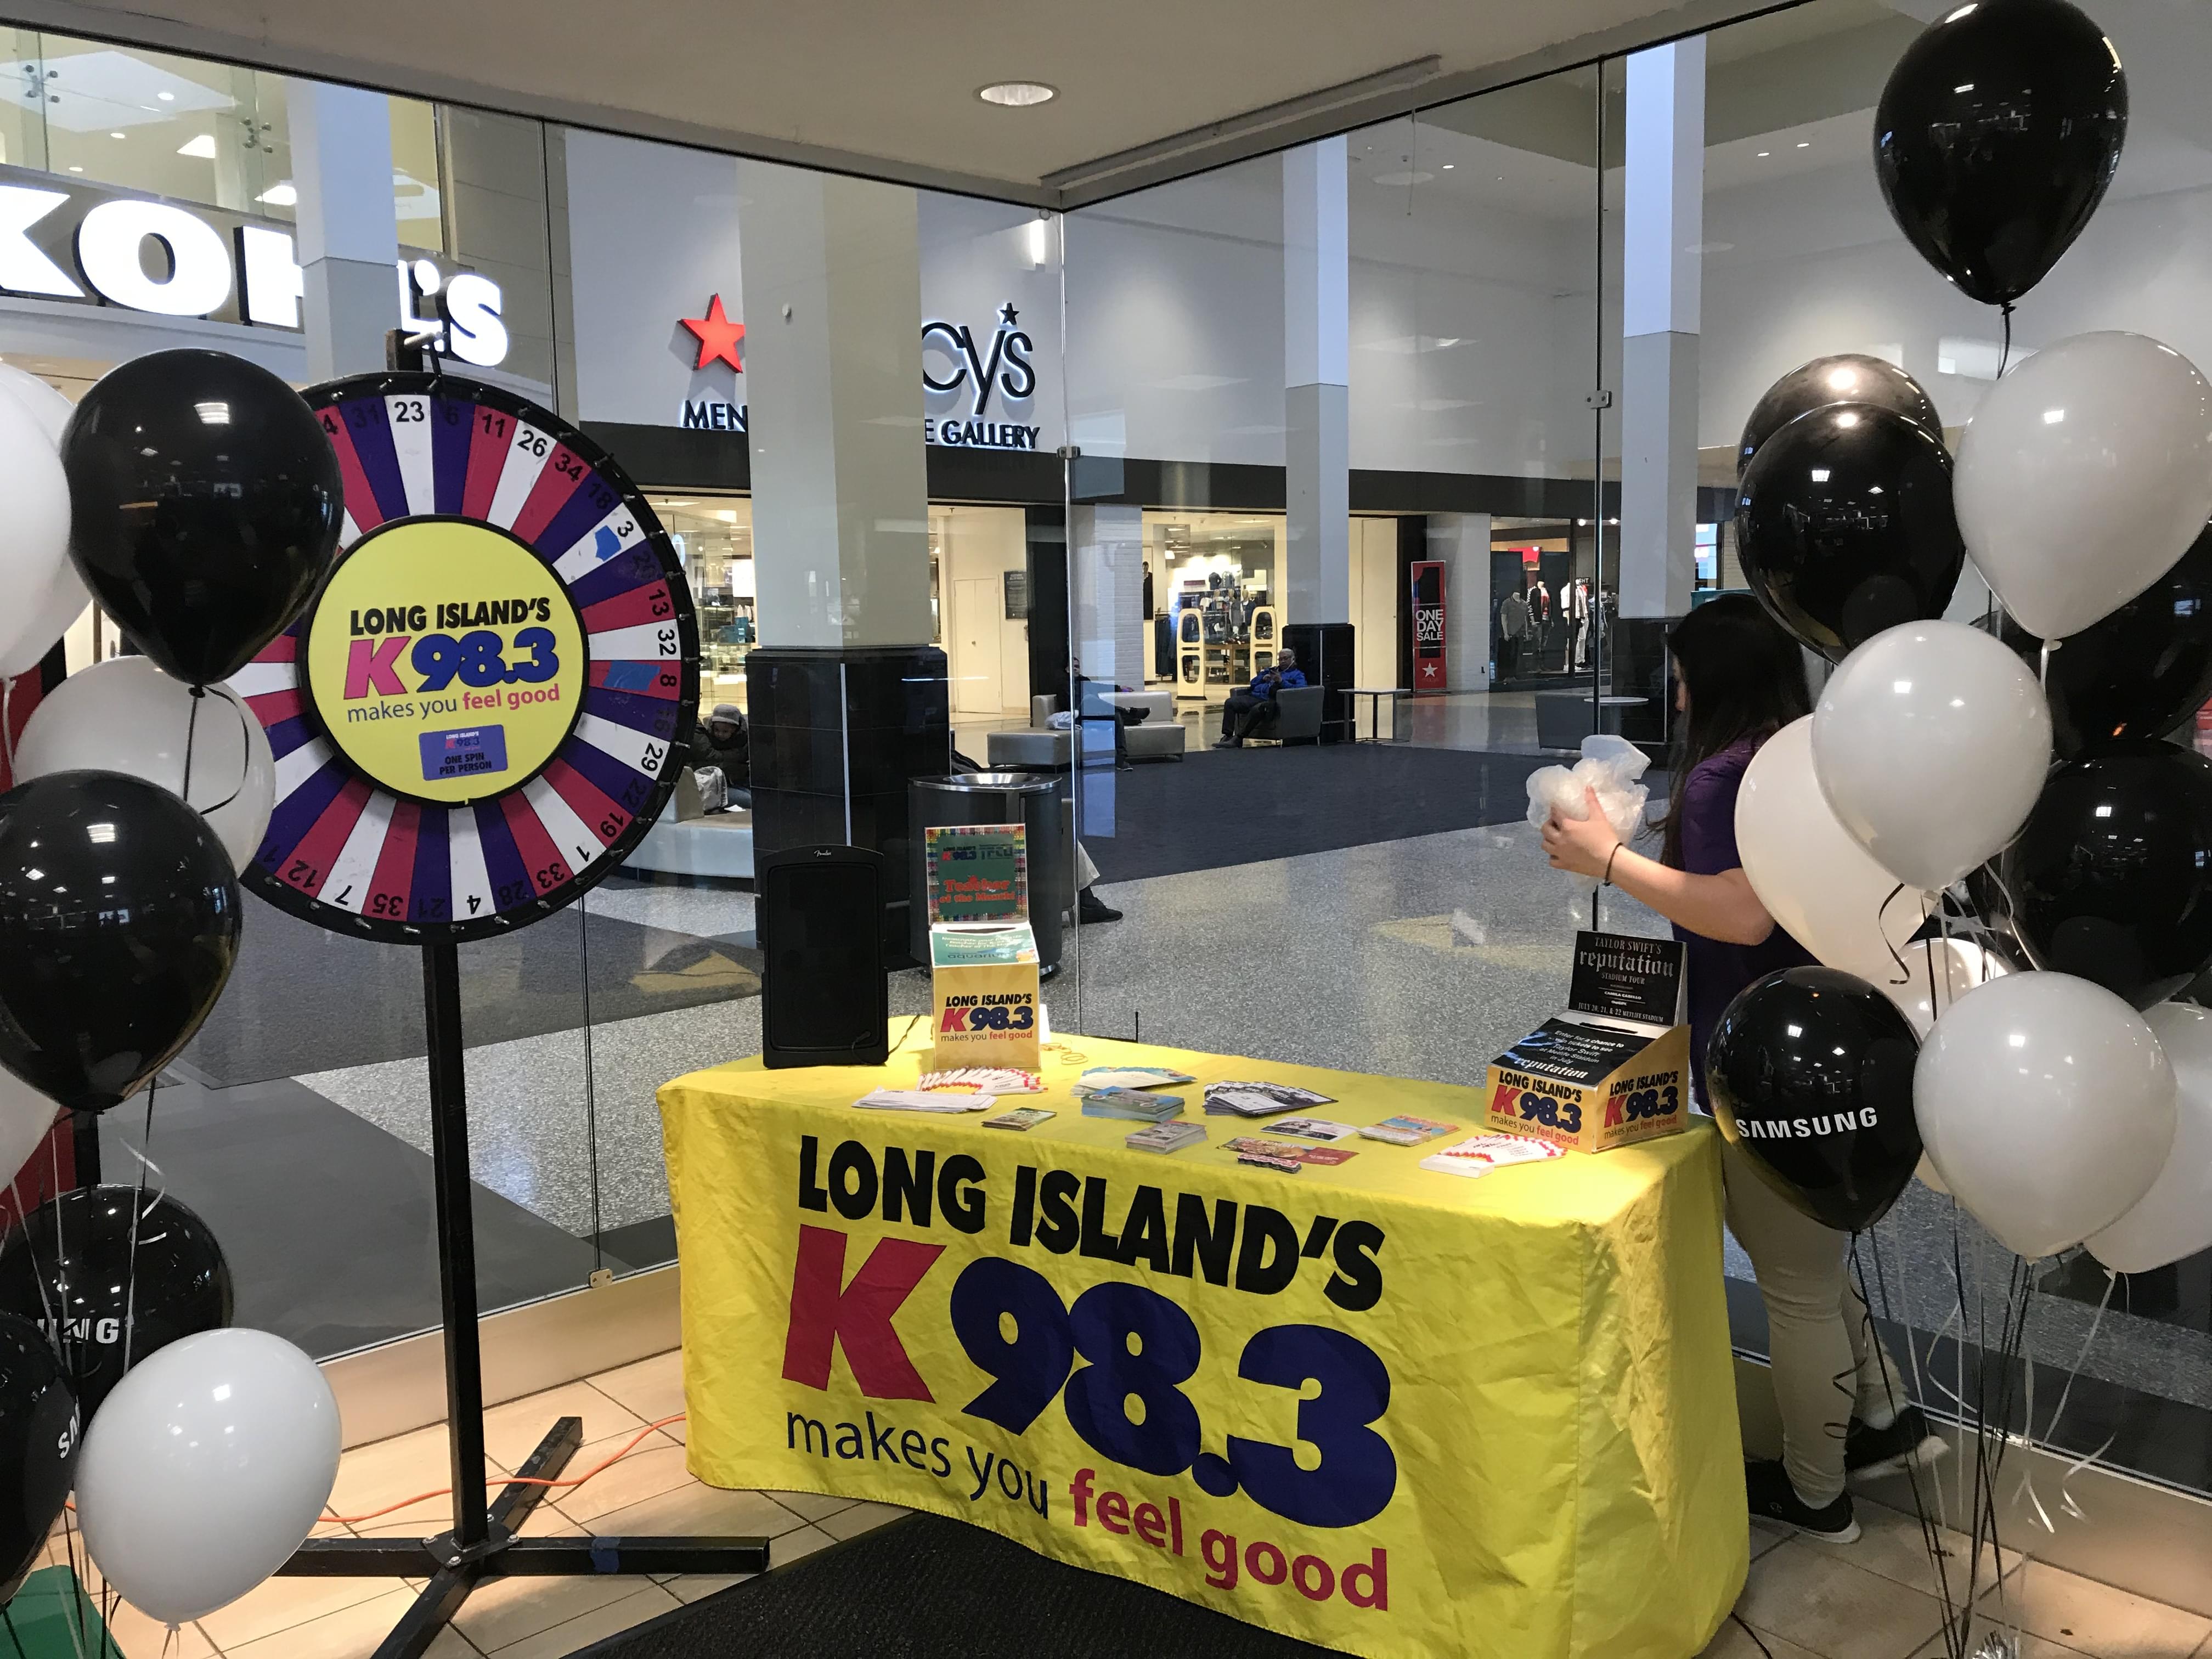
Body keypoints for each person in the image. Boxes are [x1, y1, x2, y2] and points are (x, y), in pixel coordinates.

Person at [1539, 594, 1940, 1545]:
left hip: (1767, 1062)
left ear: (1707, 679)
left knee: (1794, 1282)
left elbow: (1737, 912)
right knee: (1809, 1252)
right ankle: (1883, 1418)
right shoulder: (1802, 758)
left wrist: (1608, 861)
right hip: (1842, 1043)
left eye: (1679, 677)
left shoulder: (1728, 776)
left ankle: (1815, 1491)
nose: (1671, 695)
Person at [1213, 646, 1306, 748]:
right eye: (1280, 659)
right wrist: (1262, 678)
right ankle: (1228, 736)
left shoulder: (1297, 675)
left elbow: (1299, 690)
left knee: (1258, 709)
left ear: (1292, 659)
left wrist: (1281, 682)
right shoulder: (1270, 671)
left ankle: (1239, 738)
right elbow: (1253, 683)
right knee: (1231, 702)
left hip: (1271, 701)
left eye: (1286, 658)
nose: (1282, 661)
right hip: (1255, 697)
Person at [689, 703, 751, 809]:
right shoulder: (704, 737)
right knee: (748, 799)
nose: (720, 734)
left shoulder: (743, 741)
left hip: (733, 782)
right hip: (714, 786)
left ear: (735, 730)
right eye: (717, 730)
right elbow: (711, 760)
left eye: (725, 731)